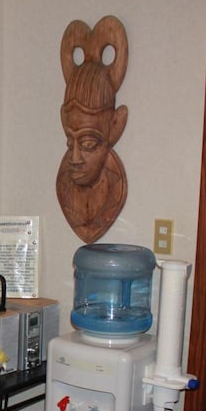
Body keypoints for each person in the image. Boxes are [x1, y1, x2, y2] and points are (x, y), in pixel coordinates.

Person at [56, 16, 129, 243]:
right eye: (70, 142)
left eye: (88, 144)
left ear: (115, 126)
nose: (75, 158)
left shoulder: (113, 186)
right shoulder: (65, 184)